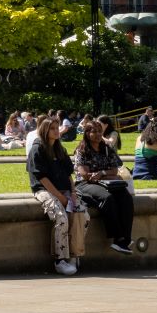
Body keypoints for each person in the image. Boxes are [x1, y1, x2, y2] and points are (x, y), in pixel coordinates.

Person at [28, 115, 86, 275]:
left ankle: (74, 254)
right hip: (44, 190)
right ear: (45, 131)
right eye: (53, 128)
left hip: (66, 190)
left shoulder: (60, 149)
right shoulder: (37, 149)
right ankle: (60, 260)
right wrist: (60, 198)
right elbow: (42, 178)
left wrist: (73, 192)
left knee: (83, 216)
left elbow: (69, 174)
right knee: (61, 218)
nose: (57, 131)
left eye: (57, 127)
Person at [72, 117, 134, 253]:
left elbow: (115, 170)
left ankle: (126, 238)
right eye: (95, 132)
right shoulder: (82, 150)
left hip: (105, 182)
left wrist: (102, 173)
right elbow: (84, 174)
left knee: (126, 197)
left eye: (100, 131)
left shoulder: (106, 148)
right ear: (87, 134)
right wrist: (104, 175)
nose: (99, 135)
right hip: (84, 184)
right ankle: (118, 238)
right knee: (108, 198)